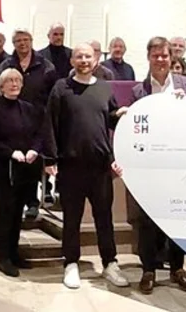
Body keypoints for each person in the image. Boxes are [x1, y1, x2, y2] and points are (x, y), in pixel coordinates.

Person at [49, 44, 128, 289]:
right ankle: (71, 263)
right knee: (71, 218)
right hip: (71, 165)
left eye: (88, 56)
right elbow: (50, 123)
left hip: (100, 166)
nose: (83, 60)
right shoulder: (61, 88)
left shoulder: (104, 88)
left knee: (104, 217)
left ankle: (110, 263)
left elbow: (111, 116)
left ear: (95, 60)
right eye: (79, 56)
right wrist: (50, 159)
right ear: (72, 60)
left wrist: (121, 113)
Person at [129, 37, 186, 292]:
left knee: (179, 217)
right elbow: (136, 128)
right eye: (155, 56)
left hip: (179, 163)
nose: (160, 60)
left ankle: (177, 268)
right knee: (148, 218)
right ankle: (148, 269)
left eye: (164, 56)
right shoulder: (140, 91)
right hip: (151, 165)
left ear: (173, 59)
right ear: (148, 58)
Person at [0, 68, 53, 276]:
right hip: (5, 168)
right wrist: (11, 152)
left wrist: (34, 149)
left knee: (19, 213)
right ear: (1, 86)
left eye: (17, 81)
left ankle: (14, 253)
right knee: (7, 213)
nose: (14, 84)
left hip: (26, 168)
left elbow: (40, 133)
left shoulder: (29, 109)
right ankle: (3, 256)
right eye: (9, 81)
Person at [0, 30, 59, 220]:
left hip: (36, 119)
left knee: (32, 161)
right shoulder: (6, 64)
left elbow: (52, 95)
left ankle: (32, 203)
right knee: (14, 162)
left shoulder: (46, 66)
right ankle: (13, 201)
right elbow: (0, 87)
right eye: (18, 41)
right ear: (13, 43)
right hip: (10, 117)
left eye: (26, 40)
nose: (22, 44)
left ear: (32, 41)